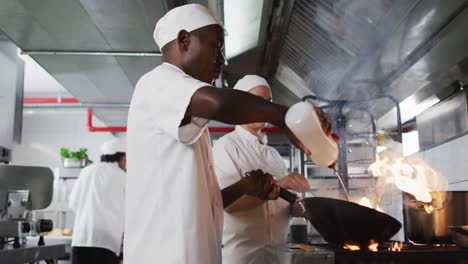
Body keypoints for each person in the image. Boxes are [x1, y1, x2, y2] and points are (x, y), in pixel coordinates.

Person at [124, 4, 332, 264]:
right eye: (216, 47)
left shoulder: (187, 113)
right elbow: (219, 103)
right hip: (165, 254)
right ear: (184, 39)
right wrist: (286, 116)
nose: (222, 59)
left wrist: (247, 188)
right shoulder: (157, 81)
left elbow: (211, 201)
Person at [213, 75, 310, 264]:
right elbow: (229, 205)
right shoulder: (226, 147)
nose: (263, 108)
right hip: (243, 257)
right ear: (240, 105)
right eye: (256, 101)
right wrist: (281, 183)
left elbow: (277, 203)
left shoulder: (273, 155)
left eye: (268, 102)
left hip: (278, 257)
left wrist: (294, 208)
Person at [69, 137, 126, 264]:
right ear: (122, 158)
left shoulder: (87, 171)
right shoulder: (121, 176)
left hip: (81, 239)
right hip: (106, 242)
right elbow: (129, 210)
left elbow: (73, 202)